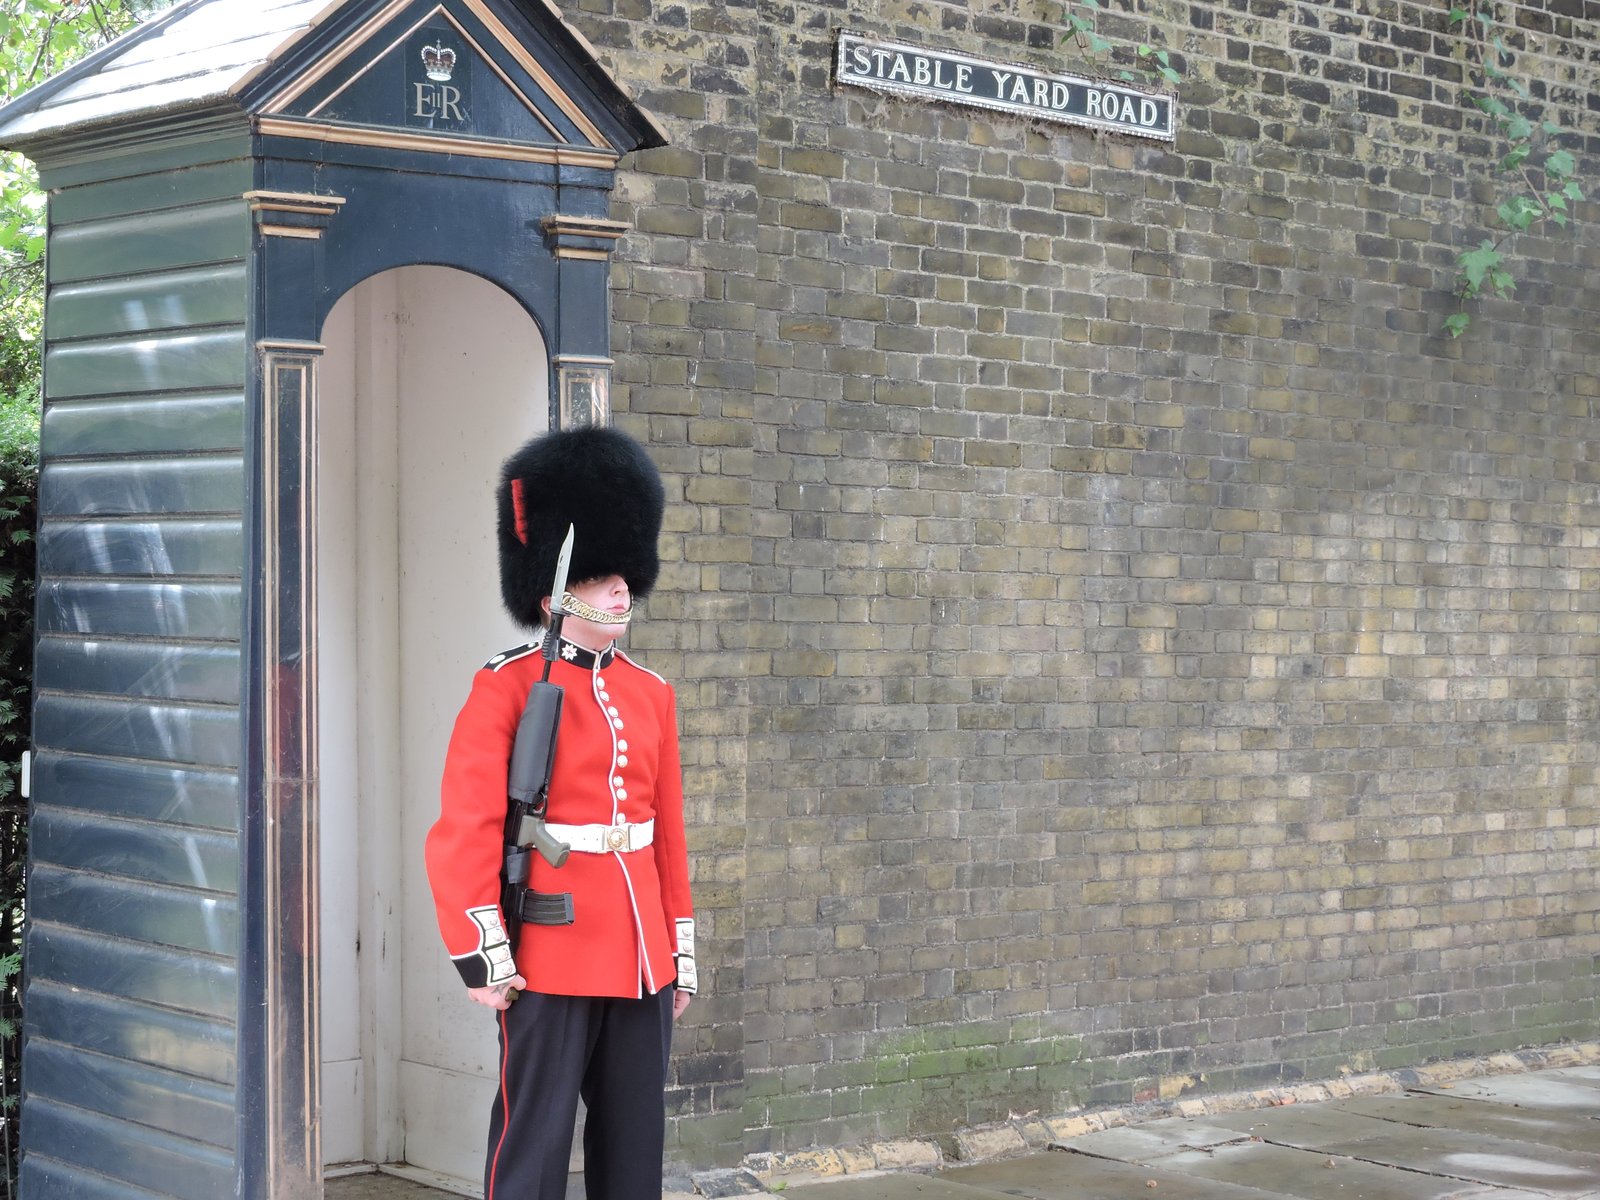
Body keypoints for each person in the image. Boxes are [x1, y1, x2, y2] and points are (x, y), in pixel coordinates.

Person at [424, 425, 695, 1200]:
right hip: (550, 945)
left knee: (633, 1145)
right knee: (534, 1139)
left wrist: (677, 950)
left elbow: (665, 836)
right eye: (603, 577)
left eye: (625, 577)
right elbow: (467, 827)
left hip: (640, 950)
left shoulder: (652, 692)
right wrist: (484, 950)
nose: (622, 591)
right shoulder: (506, 687)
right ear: (553, 593)